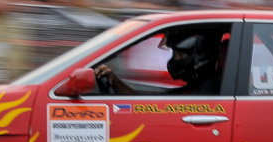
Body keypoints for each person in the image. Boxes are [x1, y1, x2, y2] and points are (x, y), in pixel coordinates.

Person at [93, 28, 224, 96]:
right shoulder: (195, 86)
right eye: (174, 54)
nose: (175, 60)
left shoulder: (208, 89)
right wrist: (114, 80)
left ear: (198, 57)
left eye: (180, 55)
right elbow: (144, 105)